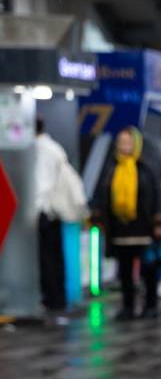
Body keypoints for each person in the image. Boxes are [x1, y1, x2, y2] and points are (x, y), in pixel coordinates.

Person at [92, 127, 161, 321]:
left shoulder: (146, 168)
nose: (124, 146)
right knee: (124, 271)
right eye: (121, 143)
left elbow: (157, 196)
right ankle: (128, 307)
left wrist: (159, 222)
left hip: (144, 228)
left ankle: (151, 305)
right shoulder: (111, 168)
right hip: (120, 229)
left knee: (148, 269)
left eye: (128, 142)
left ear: (136, 144)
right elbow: (101, 195)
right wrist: (97, 218)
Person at [34, 117, 87, 315]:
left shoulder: (42, 150)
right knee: (55, 257)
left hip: (47, 212)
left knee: (48, 259)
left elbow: (42, 184)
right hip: (54, 213)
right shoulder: (53, 147)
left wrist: (34, 211)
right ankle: (58, 298)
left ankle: (53, 299)